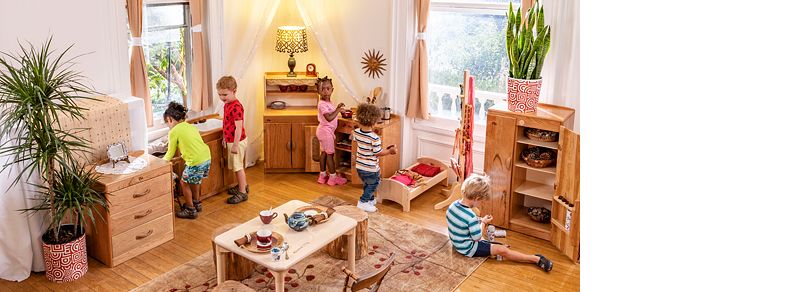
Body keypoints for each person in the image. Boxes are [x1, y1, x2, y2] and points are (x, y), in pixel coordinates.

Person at [446, 174, 553, 272]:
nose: (481, 203)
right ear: (477, 198)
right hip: (468, 248)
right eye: (481, 201)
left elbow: (461, 223)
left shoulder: (453, 206)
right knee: (502, 250)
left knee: (496, 246)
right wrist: (483, 222)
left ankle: (493, 248)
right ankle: (535, 258)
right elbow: (477, 237)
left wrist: (478, 220)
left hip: (457, 243)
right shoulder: (471, 216)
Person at [162, 102, 211, 219]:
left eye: (167, 123)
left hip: (195, 162)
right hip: (206, 157)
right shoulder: (190, 126)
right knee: (195, 181)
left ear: (169, 119)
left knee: (184, 183)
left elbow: (170, 152)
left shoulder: (173, 131)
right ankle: (196, 203)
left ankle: (190, 209)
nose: (168, 126)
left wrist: (161, 163)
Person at [353, 103, 397, 212]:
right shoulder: (375, 138)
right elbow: (378, 153)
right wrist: (390, 151)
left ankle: (370, 200)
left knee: (367, 184)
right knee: (373, 184)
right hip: (370, 168)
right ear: (374, 122)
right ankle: (363, 202)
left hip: (360, 166)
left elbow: (365, 146)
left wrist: (384, 149)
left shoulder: (356, 132)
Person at [217, 76, 249, 204]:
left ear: (234, 91)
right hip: (231, 141)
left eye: (225, 94)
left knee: (238, 167)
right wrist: (225, 137)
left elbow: (238, 127)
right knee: (236, 166)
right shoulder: (227, 105)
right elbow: (227, 123)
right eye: (220, 95)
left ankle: (242, 193)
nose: (222, 97)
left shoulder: (236, 106)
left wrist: (235, 145)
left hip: (237, 142)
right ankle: (243, 185)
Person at [315, 76, 348, 186]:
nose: (325, 91)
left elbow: (331, 113)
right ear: (318, 91)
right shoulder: (322, 104)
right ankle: (333, 178)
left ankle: (322, 176)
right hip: (325, 132)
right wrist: (338, 110)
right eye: (322, 89)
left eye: (328, 88)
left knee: (324, 153)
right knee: (330, 154)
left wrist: (338, 109)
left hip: (323, 131)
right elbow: (328, 118)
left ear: (332, 90)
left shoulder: (328, 103)